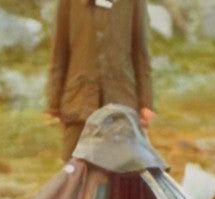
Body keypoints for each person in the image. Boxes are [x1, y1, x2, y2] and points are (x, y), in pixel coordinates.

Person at [45, 0, 155, 162]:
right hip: (79, 102)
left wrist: (146, 102)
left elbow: (140, 53)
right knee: (75, 169)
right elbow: (59, 52)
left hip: (121, 102)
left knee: (121, 168)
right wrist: (54, 101)